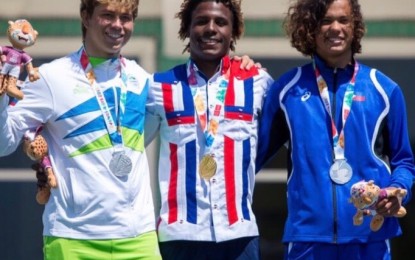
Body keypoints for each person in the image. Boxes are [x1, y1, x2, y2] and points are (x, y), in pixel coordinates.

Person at [0, 0, 162, 259]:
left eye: (126, 17)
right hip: (73, 239)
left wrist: (239, 64)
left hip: (138, 239)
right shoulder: (51, 78)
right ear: (86, 17)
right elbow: (4, 144)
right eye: (108, 15)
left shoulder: (141, 79)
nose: (118, 25)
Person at [256, 0, 415, 259]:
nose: (335, 28)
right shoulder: (288, 90)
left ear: (355, 27)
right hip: (307, 240)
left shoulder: (385, 90)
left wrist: (398, 191)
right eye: (325, 21)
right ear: (310, 28)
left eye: (343, 20)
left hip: (370, 237)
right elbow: (250, 158)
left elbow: (404, 162)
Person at [144, 0, 274, 259]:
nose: (211, 28)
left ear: (233, 31)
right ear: (187, 29)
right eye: (201, 21)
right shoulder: (158, 86)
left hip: (240, 235)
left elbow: (281, 143)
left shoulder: (258, 82)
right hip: (180, 236)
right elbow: (130, 145)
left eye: (221, 22)